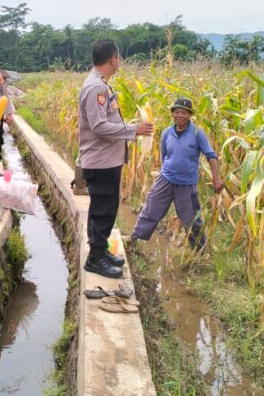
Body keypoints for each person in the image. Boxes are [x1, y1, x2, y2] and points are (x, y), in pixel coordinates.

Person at [78, 39, 154, 279]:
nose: (119, 62)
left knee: (106, 208)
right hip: (101, 162)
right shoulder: (96, 88)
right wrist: (133, 130)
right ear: (113, 59)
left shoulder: (100, 84)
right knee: (102, 210)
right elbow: (99, 126)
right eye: (118, 58)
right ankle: (95, 259)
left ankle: (100, 251)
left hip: (106, 161)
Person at [129, 98, 224, 250]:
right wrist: (165, 172)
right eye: (176, 112)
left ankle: (199, 251)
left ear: (190, 115)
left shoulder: (197, 133)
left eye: (184, 113)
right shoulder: (167, 133)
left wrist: (216, 179)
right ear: (172, 114)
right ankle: (134, 241)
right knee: (150, 209)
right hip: (165, 180)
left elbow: (211, 156)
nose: (179, 115)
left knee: (192, 220)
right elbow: (165, 156)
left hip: (186, 184)